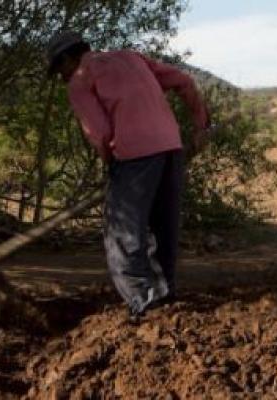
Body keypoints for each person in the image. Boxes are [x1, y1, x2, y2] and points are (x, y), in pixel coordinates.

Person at [45, 32, 210, 323]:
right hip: (171, 149)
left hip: (134, 155)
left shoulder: (80, 79)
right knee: (163, 226)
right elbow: (184, 82)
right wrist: (201, 125)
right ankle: (165, 294)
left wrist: (112, 164)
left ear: (69, 58)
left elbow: (100, 132)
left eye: (60, 69)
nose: (61, 77)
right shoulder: (132, 58)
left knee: (122, 232)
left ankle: (143, 301)